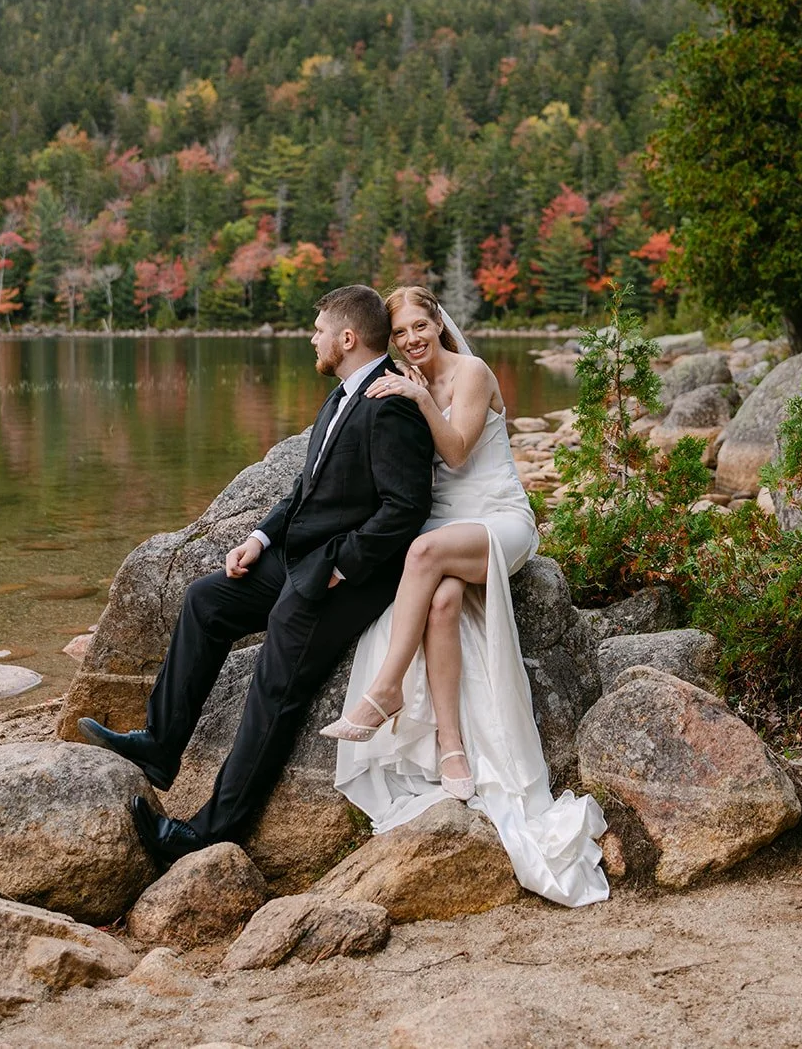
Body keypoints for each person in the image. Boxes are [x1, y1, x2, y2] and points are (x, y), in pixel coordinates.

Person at [77, 285, 435, 864]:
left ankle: (212, 830)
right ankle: (160, 745)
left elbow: (405, 508)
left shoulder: (389, 402)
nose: (311, 338)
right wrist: (259, 537)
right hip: (294, 558)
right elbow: (305, 488)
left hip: (342, 576)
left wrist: (340, 568)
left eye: (318, 330)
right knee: (206, 600)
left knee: (275, 686)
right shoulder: (344, 392)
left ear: (346, 339)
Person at [319, 285, 609, 908]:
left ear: (440, 324)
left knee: (422, 557)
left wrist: (419, 397)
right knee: (442, 604)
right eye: (399, 335)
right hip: (446, 531)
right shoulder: (398, 382)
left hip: (497, 522)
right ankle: (453, 750)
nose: (412, 340)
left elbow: (455, 452)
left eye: (420, 326)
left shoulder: (470, 372)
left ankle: (387, 690)